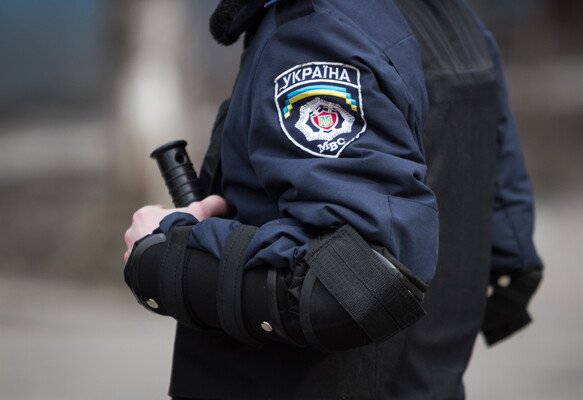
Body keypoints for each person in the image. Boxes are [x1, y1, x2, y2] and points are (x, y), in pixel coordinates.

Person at [123, 0, 543, 399]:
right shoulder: (455, 22)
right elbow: (510, 250)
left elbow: (348, 288)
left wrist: (163, 255)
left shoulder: (319, 30)